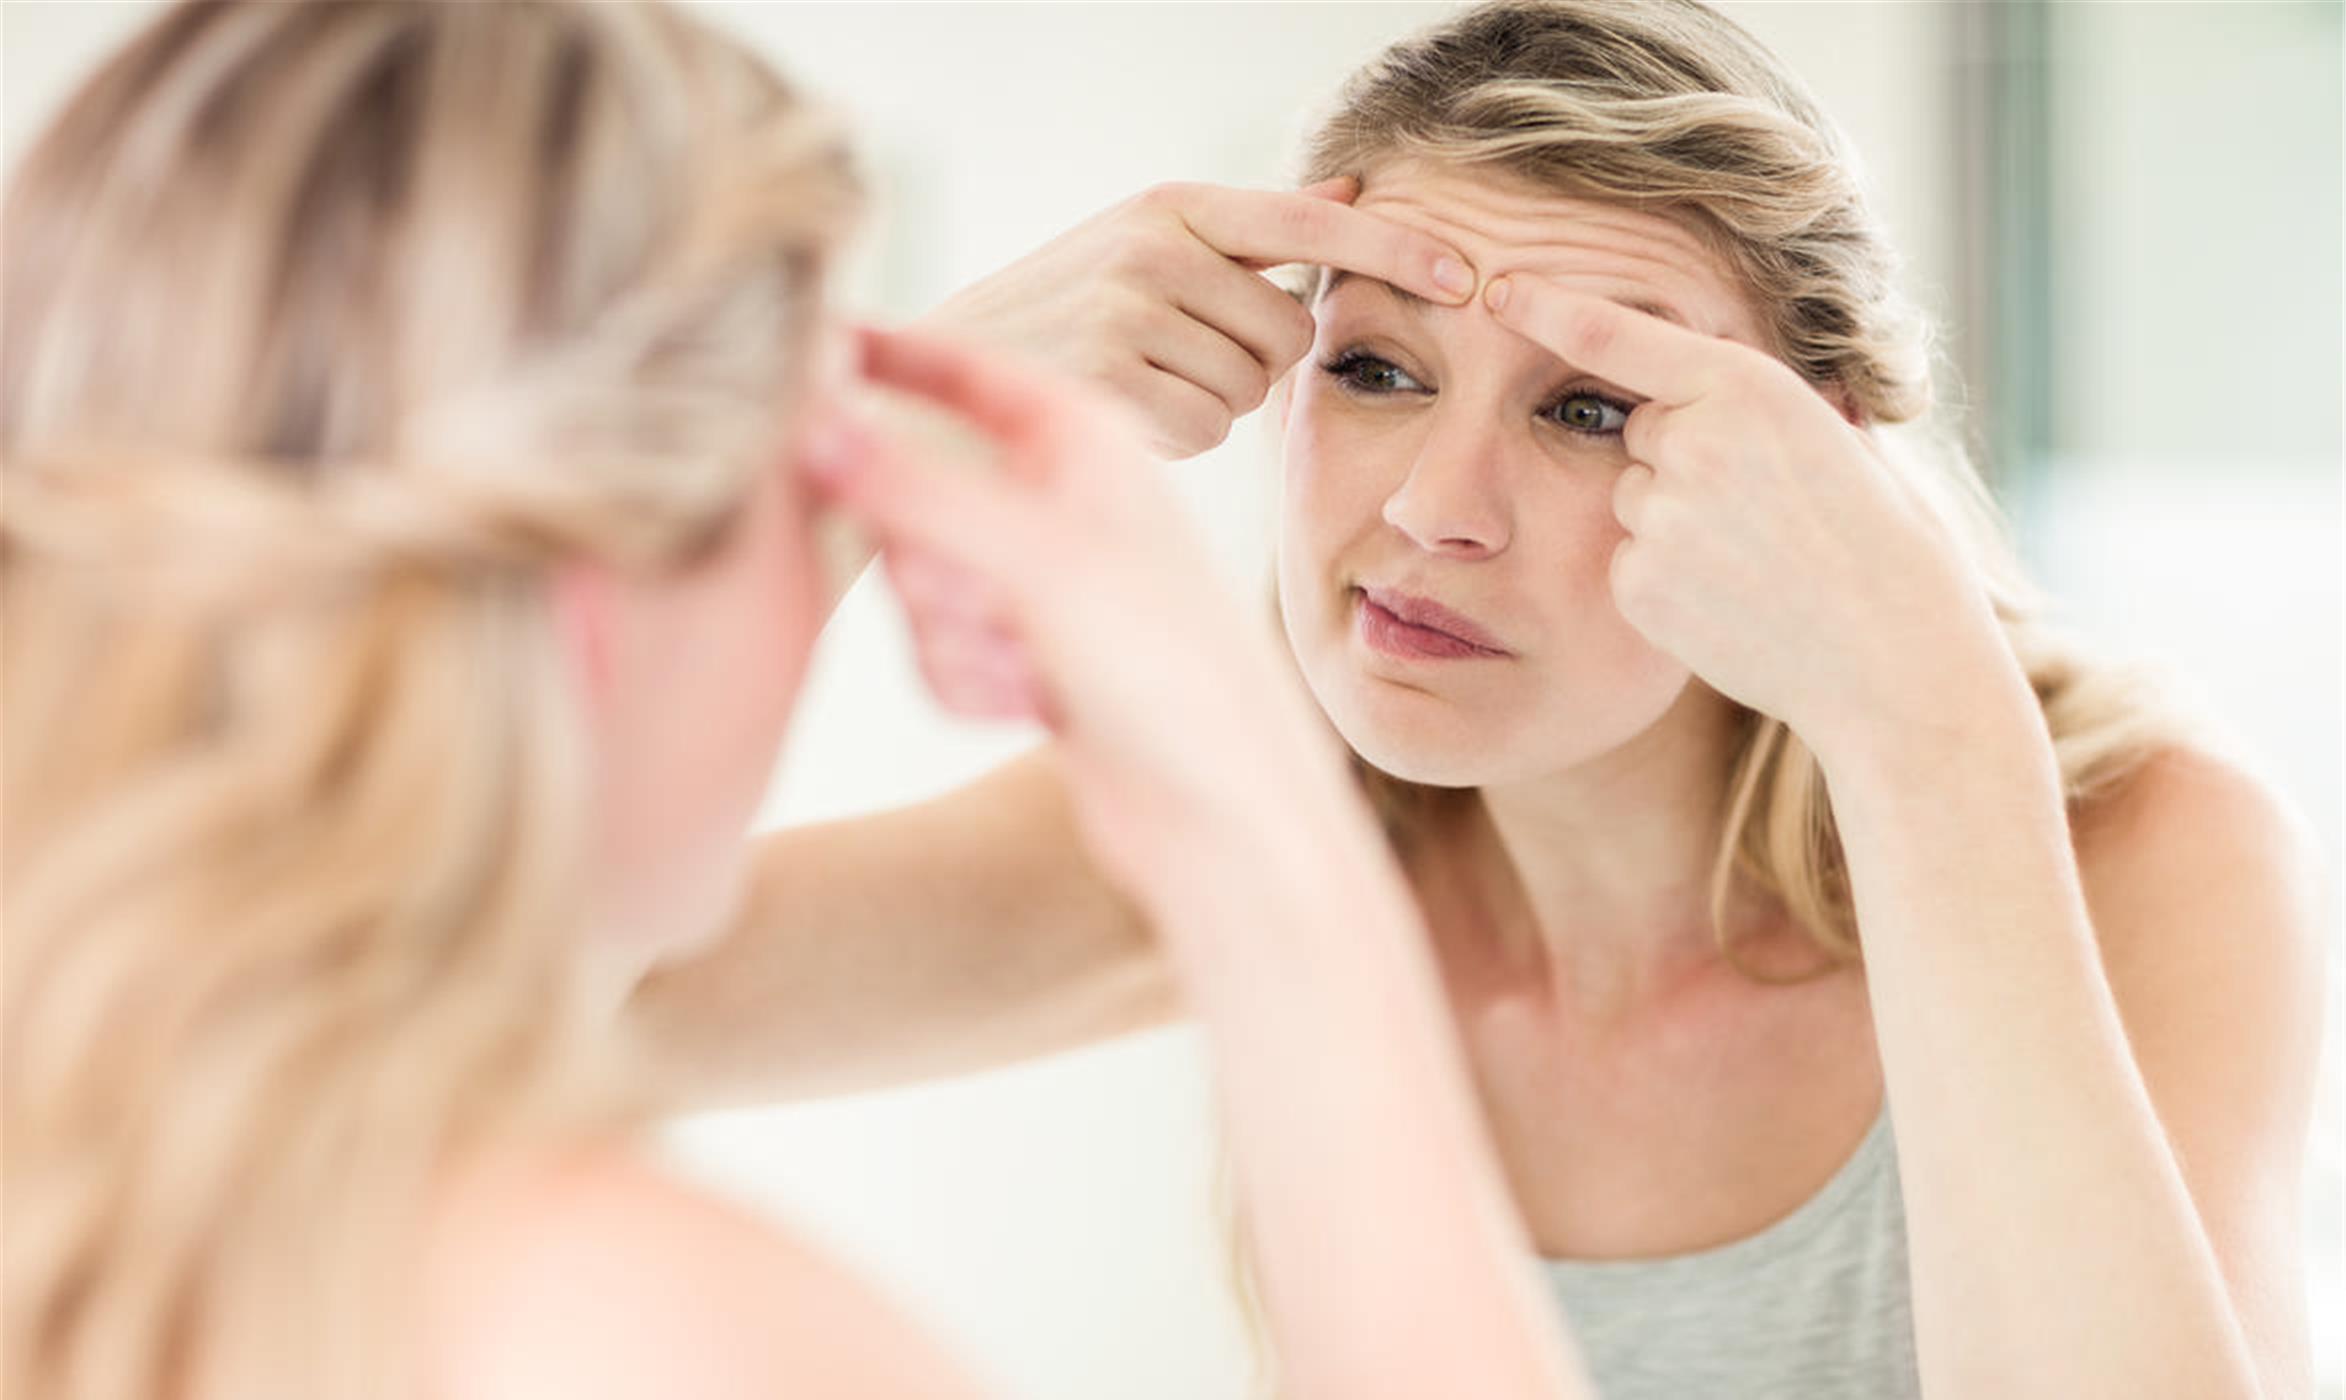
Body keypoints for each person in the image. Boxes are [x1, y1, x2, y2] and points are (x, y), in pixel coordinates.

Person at [632, 3, 2329, 1397]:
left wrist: (1923, 734)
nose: (1439, 506)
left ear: (1806, 462)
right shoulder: (1265, 824)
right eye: (1373, 368)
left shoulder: (2128, 839)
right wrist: (872, 442)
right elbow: (505, 996)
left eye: (1587, 407)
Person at [0, 3, 1604, 1398]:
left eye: (1591, 407)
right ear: (598, 605)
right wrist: (1274, 845)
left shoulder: (119, 1187)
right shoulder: (649, 1331)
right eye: (816, 485)